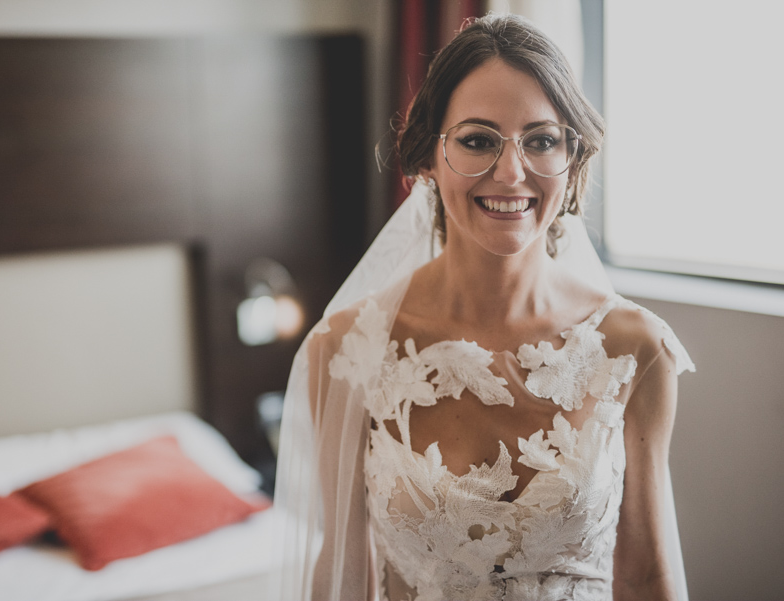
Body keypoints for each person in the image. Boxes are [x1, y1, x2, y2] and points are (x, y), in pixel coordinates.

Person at [270, 13, 694, 601]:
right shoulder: (347, 350)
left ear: (570, 159)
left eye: (542, 140)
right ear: (425, 157)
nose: (512, 172)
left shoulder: (636, 348)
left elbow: (647, 573)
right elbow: (345, 568)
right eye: (477, 140)